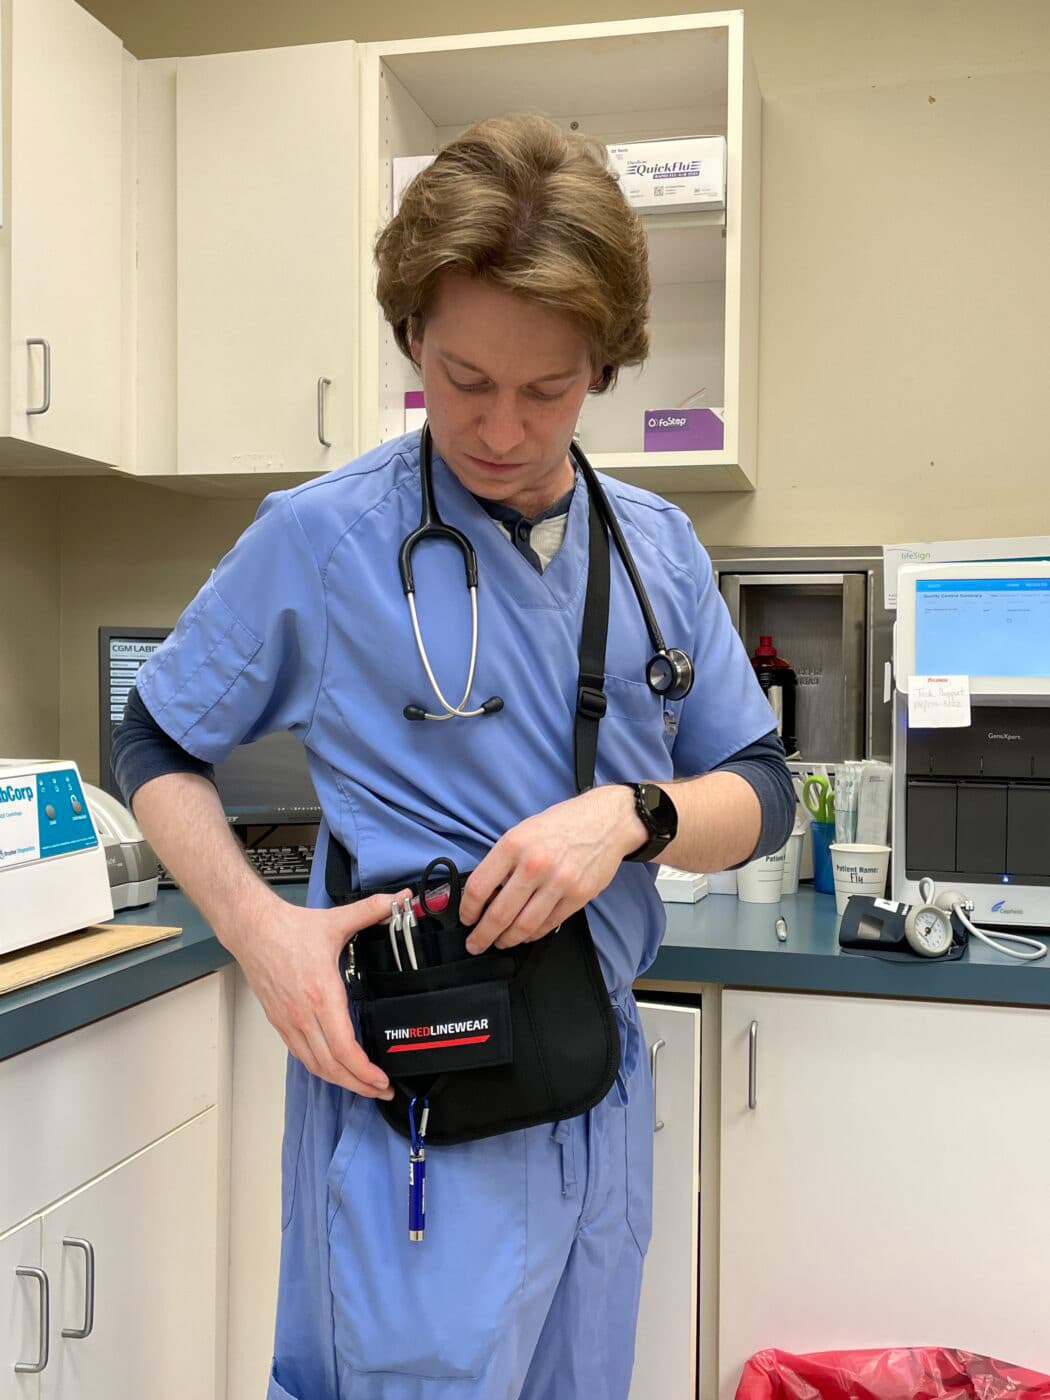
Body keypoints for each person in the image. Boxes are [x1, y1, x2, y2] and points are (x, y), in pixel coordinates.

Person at [112, 113, 794, 1400]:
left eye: (548, 388)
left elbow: (758, 790)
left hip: (594, 1090)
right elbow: (152, 734)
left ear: (606, 363)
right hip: (418, 1098)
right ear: (413, 338)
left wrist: (632, 816)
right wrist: (260, 932)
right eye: (463, 378)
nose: (499, 426)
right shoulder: (325, 537)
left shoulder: (655, 548)